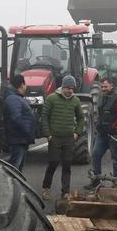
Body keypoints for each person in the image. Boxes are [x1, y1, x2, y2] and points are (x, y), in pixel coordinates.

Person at [40, 75, 84, 205]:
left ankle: (65, 192)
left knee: (67, 164)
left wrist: (77, 133)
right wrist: (48, 135)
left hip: (69, 139)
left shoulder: (75, 100)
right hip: (55, 138)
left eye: (72, 88)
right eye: (68, 88)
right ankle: (46, 188)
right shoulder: (51, 99)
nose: (70, 91)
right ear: (63, 87)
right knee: (53, 163)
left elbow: (81, 118)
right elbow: (44, 117)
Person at [89, 78, 117, 184]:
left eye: (105, 86)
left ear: (111, 86)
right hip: (102, 133)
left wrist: (113, 125)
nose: (103, 89)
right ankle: (96, 181)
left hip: (113, 134)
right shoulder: (102, 97)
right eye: (102, 87)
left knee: (115, 158)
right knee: (95, 155)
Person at [2, 74, 38, 170]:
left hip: (21, 139)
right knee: (15, 169)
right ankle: (12, 185)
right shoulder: (13, 98)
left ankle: (17, 184)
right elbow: (16, 118)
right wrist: (27, 131)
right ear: (22, 85)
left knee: (18, 168)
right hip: (18, 139)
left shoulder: (16, 97)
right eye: (25, 85)